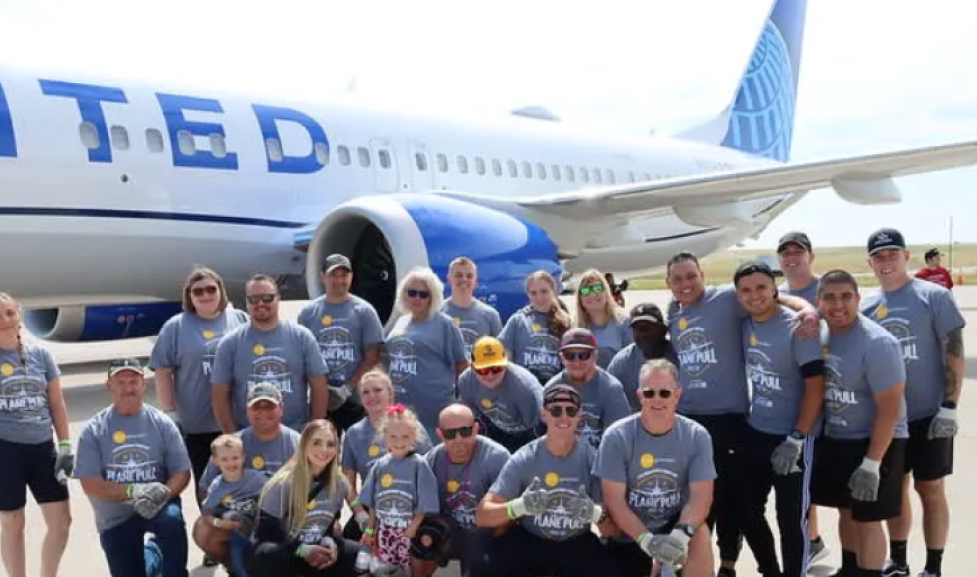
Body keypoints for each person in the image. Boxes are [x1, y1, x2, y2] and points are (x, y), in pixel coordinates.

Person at [665, 250, 819, 577]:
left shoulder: (724, 301)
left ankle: (760, 568)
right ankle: (703, 568)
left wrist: (806, 309)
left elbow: (770, 296)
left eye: (691, 275)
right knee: (714, 503)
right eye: (677, 278)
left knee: (750, 507)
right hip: (696, 422)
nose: (686, 283)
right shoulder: (674, 314)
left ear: (702, 277)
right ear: (669, 284)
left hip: (731, 421)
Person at [860, 229, 966, 577]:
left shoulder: (933, 296)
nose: (886, 261)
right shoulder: (867, 306)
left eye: (893, 253)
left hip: (929, 413)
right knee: (896, 490)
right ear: (870, 262)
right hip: (891, 420)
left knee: (930, 489)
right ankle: (899, 561)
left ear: (906, 256)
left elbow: (953, 350)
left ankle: (933, 567)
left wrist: (950, 405)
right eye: (879, 256)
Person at [813, 269, 909, 577]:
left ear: (858, 298)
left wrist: (872, 463)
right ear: (819, 301)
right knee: (847, 511)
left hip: (877, 441)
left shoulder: (878, 343)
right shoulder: (822, 335)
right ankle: (850, 569)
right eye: (829, 297)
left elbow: (890, 409)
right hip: (839, 438)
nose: (837, 304)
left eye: (845, 297)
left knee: (868, 519)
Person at [474, 383, 626, 577]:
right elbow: (482, 515)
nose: (563, 416)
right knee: (482, 565)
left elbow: (613, 530)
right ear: (544, 414)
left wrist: (595, 513)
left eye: (570, 411)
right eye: (555, 410)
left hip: (576, 542)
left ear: (579, 416)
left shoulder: (593, 458)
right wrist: (519, 507)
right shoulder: (525, 457)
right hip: (531, 540)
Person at [734, 261, 826, 577]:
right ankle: (771, 571)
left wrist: (797, 438)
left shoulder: (798, 328)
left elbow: (816, 388)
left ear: (775, 288)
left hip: (794, 437)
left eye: (761, 287)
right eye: (746, 290)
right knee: (746, 510)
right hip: (756, 431)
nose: (754, 295)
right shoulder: (745, 324)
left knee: (790, 519)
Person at [75, 357, 193, 577]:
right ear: (109, 385)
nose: (128, 388)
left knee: (172, 521)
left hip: (158, 506)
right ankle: (153, 554)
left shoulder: (162, 423)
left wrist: (163, 493)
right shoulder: (93, 430)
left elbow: (182, 473)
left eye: (133, 381)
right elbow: (91, 485)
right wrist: (134, 490)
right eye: (121, 382)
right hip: (116, 516)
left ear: (143, 384)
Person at [598, 359, 716, 577]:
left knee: (700, 534)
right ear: (640, 396)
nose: (657, 399)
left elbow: (702, 498)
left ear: (677, 395)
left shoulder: (697, 436)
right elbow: (614, 501)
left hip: (674, 526)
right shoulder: (616, 437)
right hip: (630, 533)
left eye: (665, 393)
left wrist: (679, 537)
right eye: (649, 393)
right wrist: (648, 542)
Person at [150, 267, 249, 508]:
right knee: (208, 489)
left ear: (221, 291)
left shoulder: (239, 319)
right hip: (197, 425)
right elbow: (163, 371)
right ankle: (212, 535)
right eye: (198, 291)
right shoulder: (176, 326)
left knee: (243, 485)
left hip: (236, 422)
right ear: (189, 295)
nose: (205, 295)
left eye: (211, 289)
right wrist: (169, 413)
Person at [0, 293, 72, 577]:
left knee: (62, 522)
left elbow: (56, 402)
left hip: (43, 447)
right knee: (13, 522)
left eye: (9, 313)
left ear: (19, 315)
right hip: (5, 450)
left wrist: (65, 445)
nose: (4, 320)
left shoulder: (41, 355)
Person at [194, 382, 301, 569]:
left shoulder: (296, 442)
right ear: (247, 411)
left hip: (282, 517)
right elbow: (205, 488)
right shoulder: (231, 443)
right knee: (203, 530)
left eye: (269, 407)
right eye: (256, 408)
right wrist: (219, 516)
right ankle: (235, 568)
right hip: (240, 518)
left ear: (282, 408)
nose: (262, 413)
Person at [212, 273, 330, 432]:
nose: (260, 303)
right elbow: (219, 395)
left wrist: (314, 431)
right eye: (254, 299)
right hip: (248, 437)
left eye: (267, 297)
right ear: (246, 302)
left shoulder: (302, 337)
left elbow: (319, 386)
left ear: (278, 298)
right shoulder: (229, 343)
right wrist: (232, 436)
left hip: (295, 434)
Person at [248, 419, 366, 577]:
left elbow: (326, 526)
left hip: (317, 548)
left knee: (365, 557)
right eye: (316, 442)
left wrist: (328, 542)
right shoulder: (282, 484)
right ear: (303, 444)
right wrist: (302, 550)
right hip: (287, 552)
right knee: (267, 556)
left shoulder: (339, 483)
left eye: (330, 444)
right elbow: (264, 540)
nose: (324, 449)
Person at [775, 231, 830, 565]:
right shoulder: (777, 294)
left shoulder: (827, 289)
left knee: (829, 486)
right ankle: (813, 540)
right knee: (803, 485)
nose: (792, 257)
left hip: (834, 397)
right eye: (785, 252)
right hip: (796, 401)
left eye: (799, 251)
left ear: (811, 255)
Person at [413, 404, 510, 577]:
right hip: (450, 529)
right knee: (422, 540)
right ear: (440, 435)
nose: (458, 439)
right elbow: (418, 503)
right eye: (450, 434)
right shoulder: (431, 460)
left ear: (476, 429)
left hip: (486, 531)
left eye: (465, 431)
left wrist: (488, 540)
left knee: (479, 562)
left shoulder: (497, 457)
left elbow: (508, 514)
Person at [340, 369, 434, 541]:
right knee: (350, 538)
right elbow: (347, 481)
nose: (371, 396)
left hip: (409, 506)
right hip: (374, 506)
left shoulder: (410, 425)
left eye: (377, 390)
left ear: (390, 393)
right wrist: (360, 514)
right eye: (365, 392)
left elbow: (429, 471)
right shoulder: (353, 433)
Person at [297, 253, 385, 434]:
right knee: (322, 452)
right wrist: (317, 391)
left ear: (351, 277)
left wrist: (347, 388)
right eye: (333, 275)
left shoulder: (364, 311)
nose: (339, 280)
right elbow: (301, 358)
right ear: (322, 277)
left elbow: (373, 356)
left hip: (355, 401)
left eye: (344, 275)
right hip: (322, 400)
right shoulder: (308, 313)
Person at [384, 266, 469, 440]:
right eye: (412, 292)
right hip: (401, 410)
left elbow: (462, 365)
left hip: (433, 413)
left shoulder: (444, 324)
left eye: (424, 294)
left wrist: (461, 404)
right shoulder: (401, 321)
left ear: (433, 297)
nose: (417, 298)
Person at [358, 404, 440, 573]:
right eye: (393, 437)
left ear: (414, 436)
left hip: (408, 531)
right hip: (384, 531)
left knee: (407, 568)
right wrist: (370, 529)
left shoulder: (419, 464)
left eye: (405, 436)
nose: (399, 442)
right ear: (384, 436)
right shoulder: (380, 465)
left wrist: (414, 526)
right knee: (385, 568)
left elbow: (425, 500)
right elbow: (373, 502)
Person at [544, 328, 631, 450]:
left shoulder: (611, 389)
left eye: (584, 355)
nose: (577, 361)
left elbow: (619, 441)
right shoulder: (551, 389)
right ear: (562, 358)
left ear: (595, 356)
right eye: (570, 356)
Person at [457, 336, 543, 452]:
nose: (490, 375)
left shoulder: (525, 388)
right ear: (472, 367)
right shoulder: (465, 382)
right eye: (483, 370)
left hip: (527, 435)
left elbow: (540, 430)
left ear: (506, 364)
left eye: (496, 368)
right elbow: (475, 418)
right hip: (494, 429)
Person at [198, 434, 268, 577]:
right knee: (238, 563)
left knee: (265, 560)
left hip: (261, 528)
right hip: (238, 531)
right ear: (216, 461)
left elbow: (276, 490)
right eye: (225, 459)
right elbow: (206, 512)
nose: (231, 463)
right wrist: (219, 523)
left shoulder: (257, 478)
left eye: (235, 458)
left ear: (243, 457)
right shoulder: (217, 487)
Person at [498, 270, 571, 384]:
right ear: (528, 295)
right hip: (524, 386)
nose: (539, 297)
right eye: (533, 293)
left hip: (554, 387)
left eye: (544, 291)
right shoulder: (518, 320)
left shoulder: (565, 322)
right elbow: (505, 357)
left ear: (554, 291)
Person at [607, 303, 677, 411]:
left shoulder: (678, 357)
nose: (643, 334)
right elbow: (609, 401)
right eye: (638, 329)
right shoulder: (621, 362)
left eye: (648, 328)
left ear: (663, 330)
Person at [440, 257, 503, 359]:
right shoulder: (436, 313)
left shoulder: (491, 315)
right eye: (458, 275)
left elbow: (499, 355)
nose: (464, 279)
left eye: (469, 276)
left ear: (475, 281)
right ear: (449, 279)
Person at [574, 268, 633, 368]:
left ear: (606, 292)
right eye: (585, 290)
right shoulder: (576, 329)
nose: (592, 294)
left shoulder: (625, 323)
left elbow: (633, 362)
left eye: (597, 288)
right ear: (580, 299)